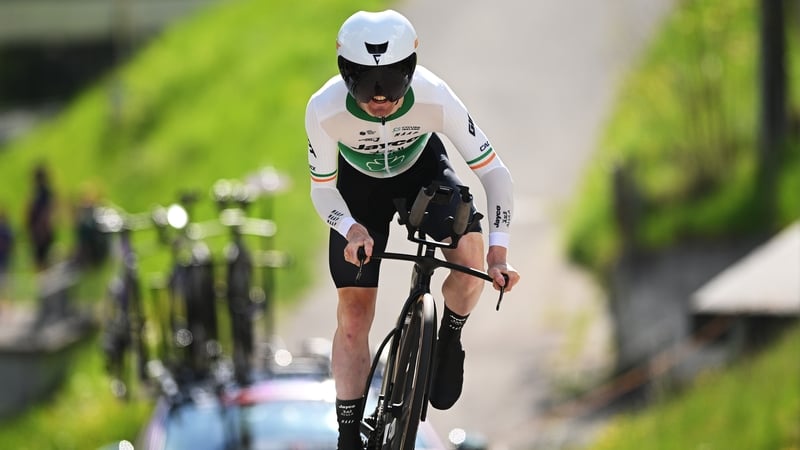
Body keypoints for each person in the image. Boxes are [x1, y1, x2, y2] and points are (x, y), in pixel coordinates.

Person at [305, 10, 520, 448]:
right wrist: (350, 229)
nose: (379, 96)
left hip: (421, 170)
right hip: (357, 189)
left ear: (411, 71)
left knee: (470, 254)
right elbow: (323, 191)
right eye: (366, 82)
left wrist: (499, 254)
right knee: (353, 316)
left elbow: (495, 174)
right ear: (346, 75)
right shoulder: (324, 110)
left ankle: (450, 335)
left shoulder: (433, 95)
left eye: (391, 81)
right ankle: (349, 432)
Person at [26, 164, 55, 270]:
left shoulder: (44, 191)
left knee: (42, 258)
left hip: (41, 230)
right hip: (38, 230)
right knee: (38, 259)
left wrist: (41, 228)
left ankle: (45, 283)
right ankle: (42, 281)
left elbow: (47, 211)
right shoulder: (37, 191)